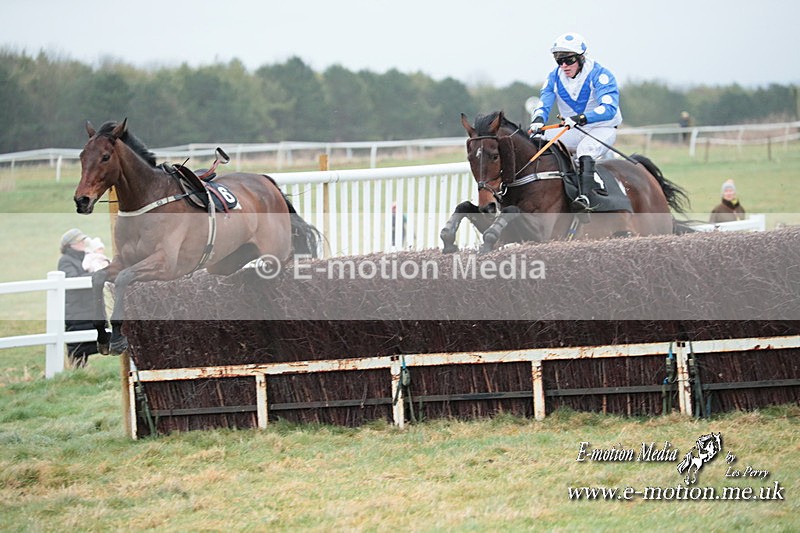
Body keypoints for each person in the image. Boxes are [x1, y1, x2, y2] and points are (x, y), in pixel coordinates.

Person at [528, 32, 622, 211]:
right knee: (538, 141)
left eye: (568, 60)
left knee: (584, 150)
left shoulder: (601, 75)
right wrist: (538, 121)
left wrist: (581, 118)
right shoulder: (553, 77)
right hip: (573, 127)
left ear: (581, 58)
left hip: (602, 127)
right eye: (559, 60)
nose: (564, 65)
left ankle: (586, 198)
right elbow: (544, 103)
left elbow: (609, 109)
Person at [57, 228, 98, 368]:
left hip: (88, 308)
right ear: (70, 245)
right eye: (79, 241)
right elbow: (73, 280)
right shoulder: (65, 261)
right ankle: (78, 372)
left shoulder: (85, 257)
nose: (83, 243)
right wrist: (97, 275)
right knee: (78, 347)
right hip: (77, 310)